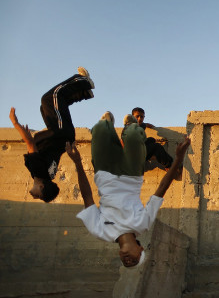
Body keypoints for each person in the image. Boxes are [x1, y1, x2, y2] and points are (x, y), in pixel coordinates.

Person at [67, 112, 191, 268]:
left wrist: (78, 162)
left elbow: (87, 198)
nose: (128, 260)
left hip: (105, 171)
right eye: (134, 260)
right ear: (140, 249)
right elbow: (161, 189)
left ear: (119, 255)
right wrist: (178, 159)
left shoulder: (100, 232)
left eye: (125, 262)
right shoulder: (142, 223)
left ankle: (107, 125)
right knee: (133, 133)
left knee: (100, 130)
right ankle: (130, 126)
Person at [9, 67, 94, 202]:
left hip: (64, 136)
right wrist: (15, 123)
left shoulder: (50, 175)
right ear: (42, 186)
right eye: (38, 195)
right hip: (59, 132)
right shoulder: (37, 171)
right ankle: (83, 80)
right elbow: (30, 144)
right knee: (50, 98)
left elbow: (43, 148)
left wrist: (34, 137)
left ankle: (84, 93)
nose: (35, 197)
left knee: (47, 107)